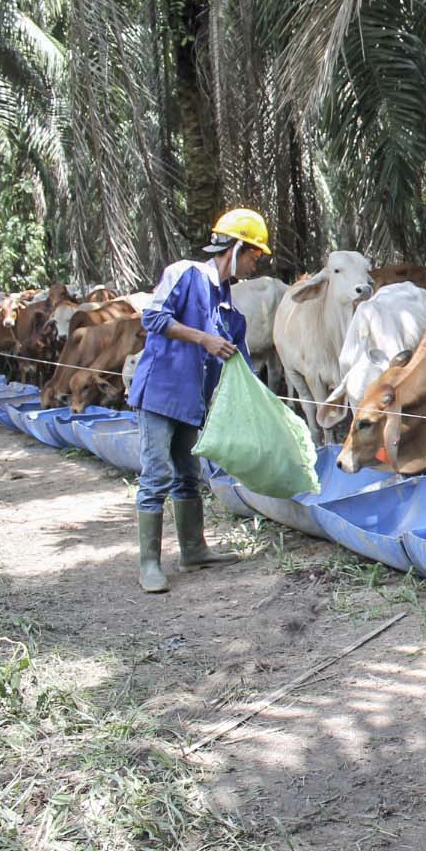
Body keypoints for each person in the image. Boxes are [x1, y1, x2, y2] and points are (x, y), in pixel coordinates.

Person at [127, 208, 270, 593]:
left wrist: (266, 405)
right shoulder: (185, 274)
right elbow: (153, 318)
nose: (257, 262)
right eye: (255, 254)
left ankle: (193, 549)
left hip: (192, 401)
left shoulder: (228, 305)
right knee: (157, 474)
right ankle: (150, 564)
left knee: (189, 476)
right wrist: (203, 339)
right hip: (160, 392)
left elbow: (242, 363)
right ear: (236, 247)